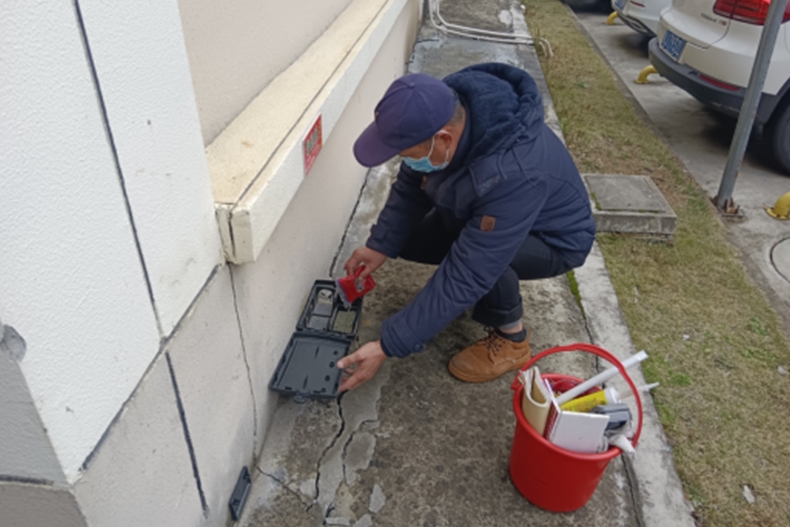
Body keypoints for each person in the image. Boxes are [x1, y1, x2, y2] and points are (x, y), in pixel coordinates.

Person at [337, 63, 595, 392]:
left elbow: (471, 270)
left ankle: (512, 339)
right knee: (407, 241)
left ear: (444, 138)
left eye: (406, 154)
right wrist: (380, 244)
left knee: (483, 259)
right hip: (498, 214)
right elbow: (411, 184)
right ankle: (466, 297)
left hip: (553, 241)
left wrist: (390, 343)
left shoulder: (513, 172)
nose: (405, 161)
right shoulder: (443, 114)